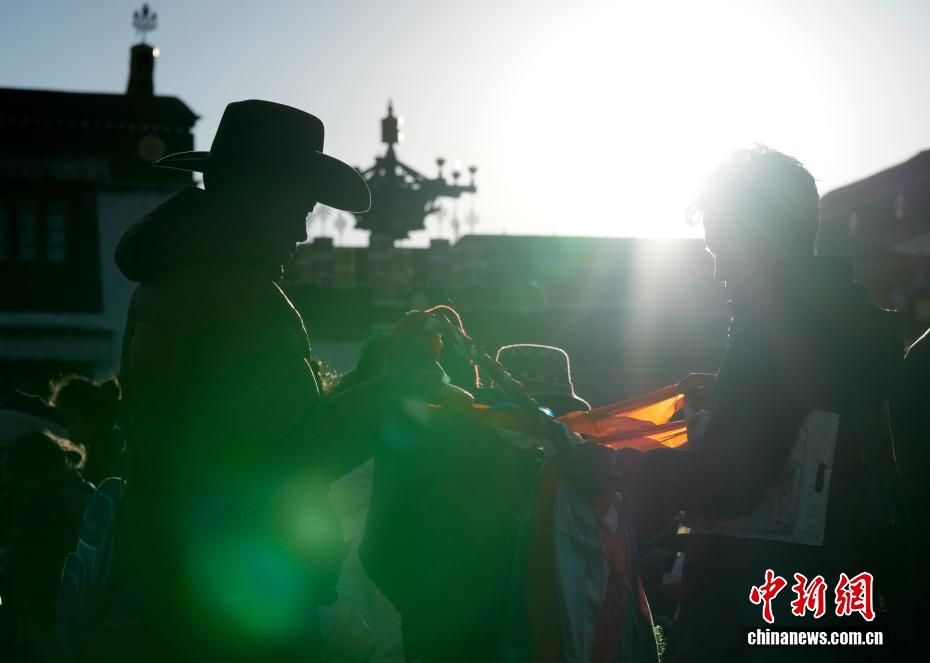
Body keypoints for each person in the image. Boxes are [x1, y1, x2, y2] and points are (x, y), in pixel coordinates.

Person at [112, 100, 430, 662]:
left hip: (173, 569)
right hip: (235, 594)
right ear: (261, 197)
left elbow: (256, 428)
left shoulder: (170, 281)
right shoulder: (242, 298)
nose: (303, 233)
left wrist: (367, 377)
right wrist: (396, 390)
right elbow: (293, 454)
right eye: (300, 210)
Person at [564, 146, 903, 662]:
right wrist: (730, 402)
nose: (719, 271)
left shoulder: (776, 325)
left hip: (756, 612)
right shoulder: (855, 320)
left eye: (724, 249)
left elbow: (731, 483)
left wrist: (610, 465)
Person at [1, 431, 93, 663]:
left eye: (10, 474)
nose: (7, 485)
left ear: (29, 471)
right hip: (81, 624)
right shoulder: (86, 495)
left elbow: (19, 569)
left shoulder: (40, 510)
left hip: (48, 627)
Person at [49, 375, 123, 486]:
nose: (62, 425)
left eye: (67, 417)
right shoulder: (102, 446)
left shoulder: (107, 456)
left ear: (87, 414)